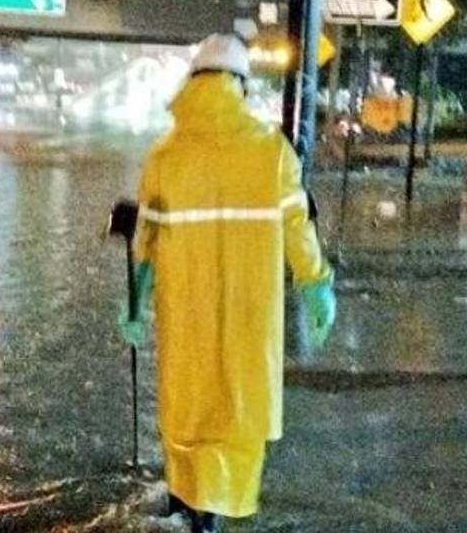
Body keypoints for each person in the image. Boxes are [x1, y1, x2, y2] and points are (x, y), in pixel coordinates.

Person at [121, 34, 337, 532]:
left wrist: (134, 306)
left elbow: (146, 244)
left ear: (194, 82)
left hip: (185, 321)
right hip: (250, 320)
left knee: (188, 415)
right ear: (239, 83)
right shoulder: (270, 152)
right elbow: (298, 230)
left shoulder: (165, 155)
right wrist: (316, 284)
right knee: (237, 417)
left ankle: (190, 508)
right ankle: (214, 515)